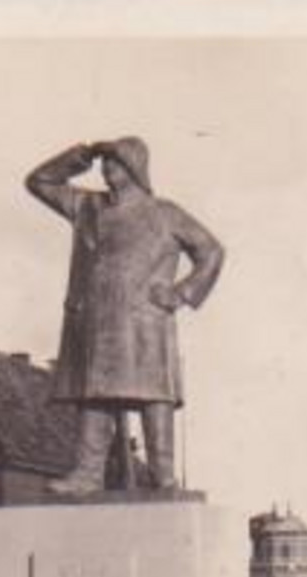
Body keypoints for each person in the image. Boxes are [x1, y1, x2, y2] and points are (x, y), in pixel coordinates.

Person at [25, 137, 225, 494]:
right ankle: (88, 474)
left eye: (114, 162)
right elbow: (39, 182)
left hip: (144, 322)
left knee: (153, 396)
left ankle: (164, 478)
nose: (106, 170)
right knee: (96, 395)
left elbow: (211, 251)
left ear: (134, 167)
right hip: (96, 322)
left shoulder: (165, 213)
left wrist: (181, 293)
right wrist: (80, 155)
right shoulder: (88, 206)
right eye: (104, 163)